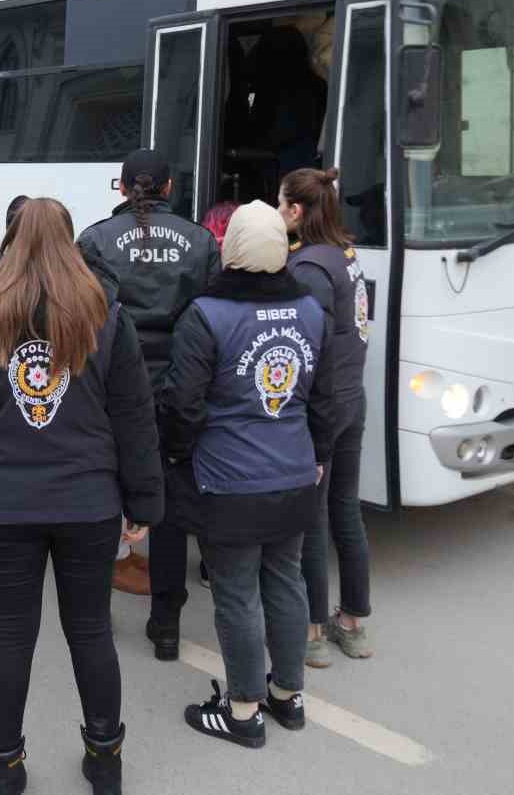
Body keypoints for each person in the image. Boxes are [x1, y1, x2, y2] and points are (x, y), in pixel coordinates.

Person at [0, 197, 163, 795]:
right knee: (90, 630)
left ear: (11, 239)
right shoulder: (104, 313)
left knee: (10, 634)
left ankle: (4, 767)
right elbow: (135, 417)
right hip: (87, 500)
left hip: (5, 501)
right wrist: (142, 505)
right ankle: (105, 759)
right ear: (70, 243)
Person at [158, 201, 333, 750]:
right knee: (286, 581)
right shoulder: (309, 309)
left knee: (236, 594)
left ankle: (241, 711)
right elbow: (324, 399)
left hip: (229, 480)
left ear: (229, 248)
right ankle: (288, 696)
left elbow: (181, 404)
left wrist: (178, 456)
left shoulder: (206, 314)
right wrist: (317, 453)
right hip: (295, 472)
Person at [75, 149, 220, 625]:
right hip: (177, 387)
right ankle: (166, 625)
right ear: (170, 189)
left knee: (103, 500)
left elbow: (84, 321)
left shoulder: (96, 239)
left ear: (120, 188)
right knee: (171, 510)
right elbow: (211, 320)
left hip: (112, 389)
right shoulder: (199, 241)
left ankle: (95, 615)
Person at [280, 168, 373, 667]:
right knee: (345, 511)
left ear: (296, 211)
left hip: (325, 407)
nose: (278, 214)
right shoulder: (346, 254)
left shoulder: (310, 267)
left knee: (313, 520)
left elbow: (307, 346)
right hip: (352, 398)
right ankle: (353, 623)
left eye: (280, 205)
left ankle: (313, 632)